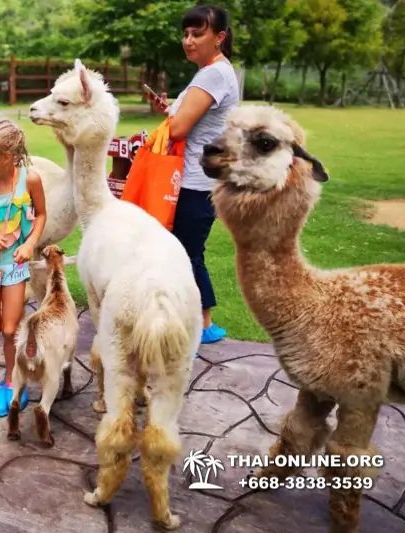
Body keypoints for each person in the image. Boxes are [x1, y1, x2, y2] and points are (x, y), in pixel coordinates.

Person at [147, 4, 239, 344]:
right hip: (197, 180)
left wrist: (171, 120)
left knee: (182, 255)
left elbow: (180, 128)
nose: (188, 40)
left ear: (219, 37)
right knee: (189, 253)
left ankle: (189, 330)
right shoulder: (211, 72)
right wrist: (170, 108)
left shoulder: (214, 74)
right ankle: (204, 322)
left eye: (197, 33)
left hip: (195, 183)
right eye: (185, 33)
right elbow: (187, 118)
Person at [0, 118, 47, 417]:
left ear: (7, 157)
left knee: (11, 328)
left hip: (14, 266)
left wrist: (29, 245)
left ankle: (14, 380)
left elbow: (40, 215)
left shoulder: (31, 180)